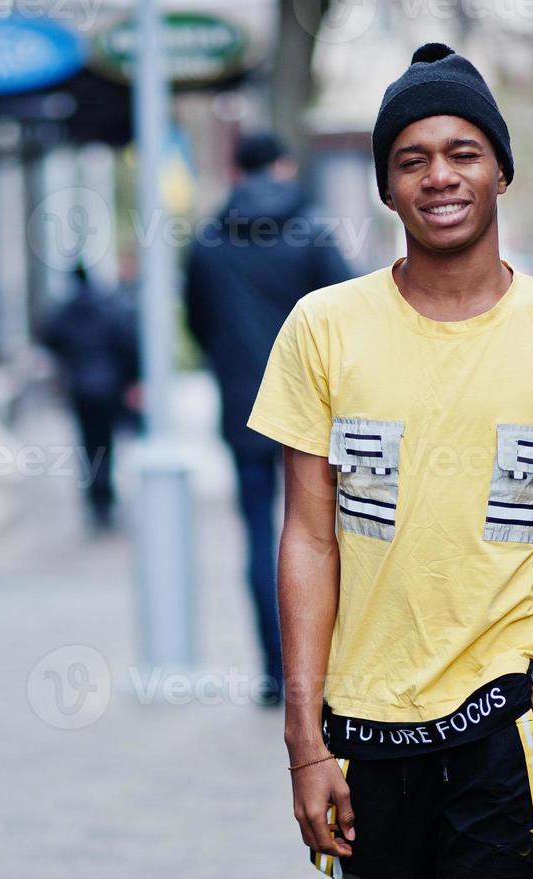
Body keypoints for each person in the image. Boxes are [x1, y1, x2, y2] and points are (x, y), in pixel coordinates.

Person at [246, 44, 533, 879]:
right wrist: (301, 740)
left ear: (501, 170)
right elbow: (307, 537)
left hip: (507, 722)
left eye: (463, 151)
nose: (439, 175)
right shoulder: (323, 328)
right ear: (388, 188)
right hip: (364, 728)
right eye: (411, 158)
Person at [183, 132, 354, 706]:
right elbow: (354, 313)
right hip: (319, 411)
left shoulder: (209, 241)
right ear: (281, 166)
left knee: (261, 534)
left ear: (236, 170)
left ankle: (275, 672)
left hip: (244, 409)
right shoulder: (311, 232)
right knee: (325, 532)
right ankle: (325, 670)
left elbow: (197, 323)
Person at [37, 262, 140, 532]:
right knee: (106, 445)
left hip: (82, 391)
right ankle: (105, 496)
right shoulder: (109, 309)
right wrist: (129, 378)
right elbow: (127, 343)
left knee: (90, 448)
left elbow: (49, 337)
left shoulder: (67, 312)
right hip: (107, 390)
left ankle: (98, 499)